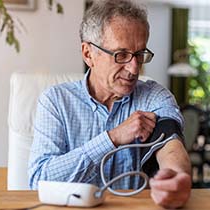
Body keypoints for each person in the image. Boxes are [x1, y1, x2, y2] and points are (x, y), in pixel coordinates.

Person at [28, 0, 191, 208]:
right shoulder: (56, 102)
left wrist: (177, 177)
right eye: (121, 55)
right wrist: (112, 138)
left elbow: (171, 146)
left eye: (140, 54)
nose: (134, 69)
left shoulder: (155, 96)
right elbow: (38, 181)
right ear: (88, 54)